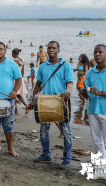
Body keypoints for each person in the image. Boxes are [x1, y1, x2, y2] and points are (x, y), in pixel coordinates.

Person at [79, 44, 106, 186]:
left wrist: (101, 93)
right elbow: (87, 91)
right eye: (95, 52)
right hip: (92, 111)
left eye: (100, 52)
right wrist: (83, 93)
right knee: (98, 143)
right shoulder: (91, 73)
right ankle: (101, 171)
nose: (97, 54)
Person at [29, 41, 73, 169]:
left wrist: (68, 93)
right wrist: (33, 99)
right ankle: (46, 154)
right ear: (47, 50)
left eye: (54, 48)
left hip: (61, 102)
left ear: (58, 50)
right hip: (45, 102)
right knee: (43, 131)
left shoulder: (66, 66)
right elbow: (38, 84)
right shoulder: (43, 66)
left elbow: (70, 83)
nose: (51, 50)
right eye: (49, 48)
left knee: (66, 132)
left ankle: (67, 158)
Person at [12, 48, 30, 114]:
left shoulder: (15, 61)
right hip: (20, 79)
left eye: (12, 53)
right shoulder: (22, 60)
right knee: (18, 95)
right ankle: (26, 106)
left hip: (15, 79)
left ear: (13, 53)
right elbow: (22, 72)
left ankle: (15, 111)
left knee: (14, 94)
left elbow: (14, 71)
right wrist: (21, 79)